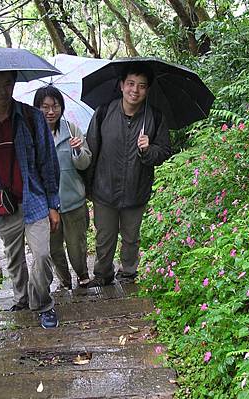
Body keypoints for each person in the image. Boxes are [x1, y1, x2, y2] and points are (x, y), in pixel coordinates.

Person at [0, 71, 61, 329]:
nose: (3, 90)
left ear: (14, 84)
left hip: (34, 198)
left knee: (41, 255)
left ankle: (43, 303)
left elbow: (48, 163)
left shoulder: (32, 117)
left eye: (8, 83)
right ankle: (21, 299)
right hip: (1, 204)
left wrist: (53, 205)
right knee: (14, 257)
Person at [85, 63, 172, 287]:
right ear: (122, 85)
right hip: (104, 188)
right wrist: (88, 186)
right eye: (131, 84)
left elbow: (163, 152)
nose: (135, 90)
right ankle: (103, 275)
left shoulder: (154, 117)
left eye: (142, 86)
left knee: (131, 237)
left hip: (136, 189)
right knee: (104, 238)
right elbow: (92, 149)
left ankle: (129, 273)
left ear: (147, 90)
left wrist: (148, 149)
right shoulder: (104, 112)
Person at [33, 86, 92, 290]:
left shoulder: (72, 129)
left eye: (55, 106)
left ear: (61, 107)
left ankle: (83, 274)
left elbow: (84, 163)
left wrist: (78, 151)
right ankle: (64, 280)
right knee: (54, 248)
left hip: (73, 199)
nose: (51, 111)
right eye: (45, 107)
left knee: (77, 245)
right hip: (47, 206)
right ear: (37, 108)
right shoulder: (33, 134)